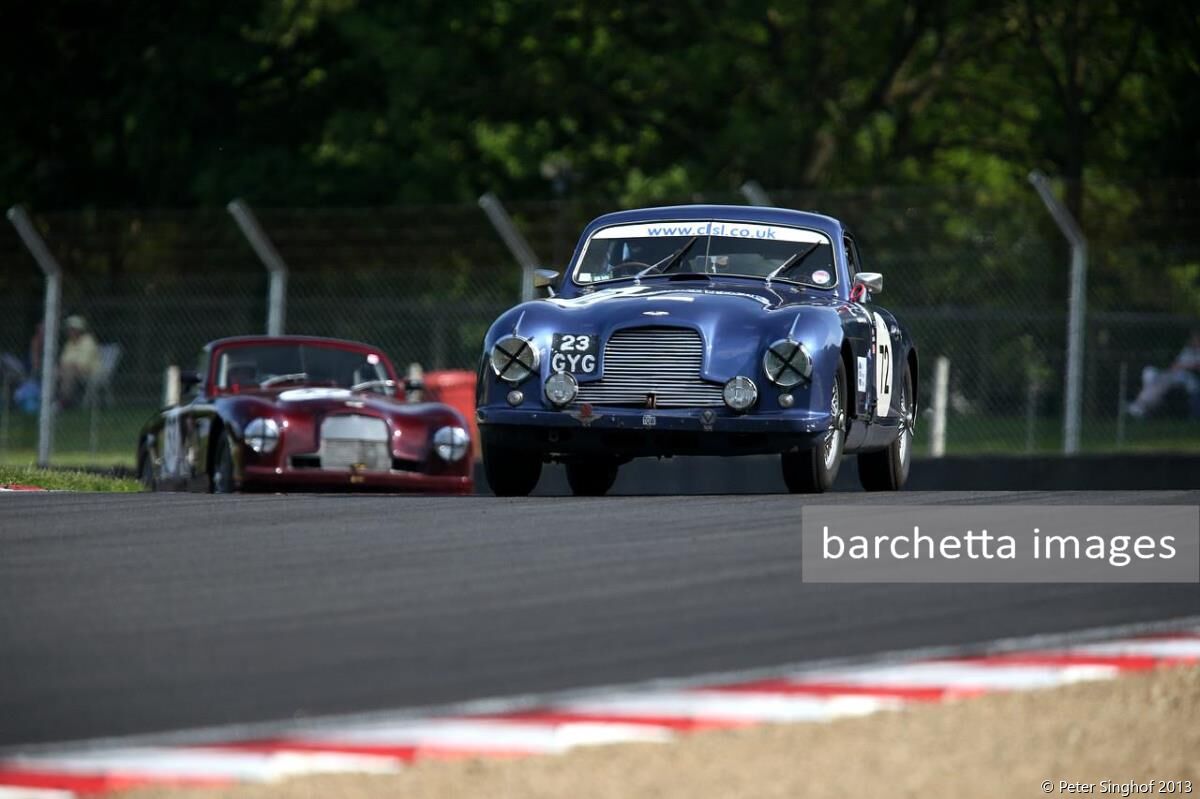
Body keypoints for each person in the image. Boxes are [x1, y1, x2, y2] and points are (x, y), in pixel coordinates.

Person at [1128, 330, 1200, 419]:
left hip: (1188, 377)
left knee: (1161, 382)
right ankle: (1143, 404)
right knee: (1149, 372)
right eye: (1193, 338)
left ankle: (1140, 405)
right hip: (1174, 373)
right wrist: (1179, 366)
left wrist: (1183, 366)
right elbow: (1175, 364)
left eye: (1196, 338)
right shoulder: (1188, 350)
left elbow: (1196, 366)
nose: (1194, 340)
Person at [58, 315, 101, 408]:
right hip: (70, 370)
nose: (70, 331)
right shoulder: (69, 343)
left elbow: (83, 364)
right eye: (69, 329)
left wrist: (67, 366)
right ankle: (51, 401)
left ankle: (64, 402)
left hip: (90, 372)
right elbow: (63, 361)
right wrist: (64, 367)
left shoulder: (88, 341)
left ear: (80, 330)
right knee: (53, 371)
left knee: (68, 372)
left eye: (73, 329)